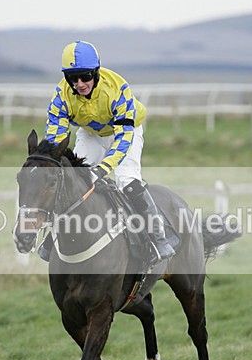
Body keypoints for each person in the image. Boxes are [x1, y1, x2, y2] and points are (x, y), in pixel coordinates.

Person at [39, 40, 175, 263]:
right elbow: (56, 138)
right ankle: (52, 238)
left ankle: (159, 238)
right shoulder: (61, 96)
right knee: (72, 180)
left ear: (96, 72)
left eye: (85, 76)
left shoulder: (117, 88)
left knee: (127, 182)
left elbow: (123, 139)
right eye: (72, 78)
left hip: (124, 132)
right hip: (91, 133)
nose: (79, 84)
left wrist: (102, 169)